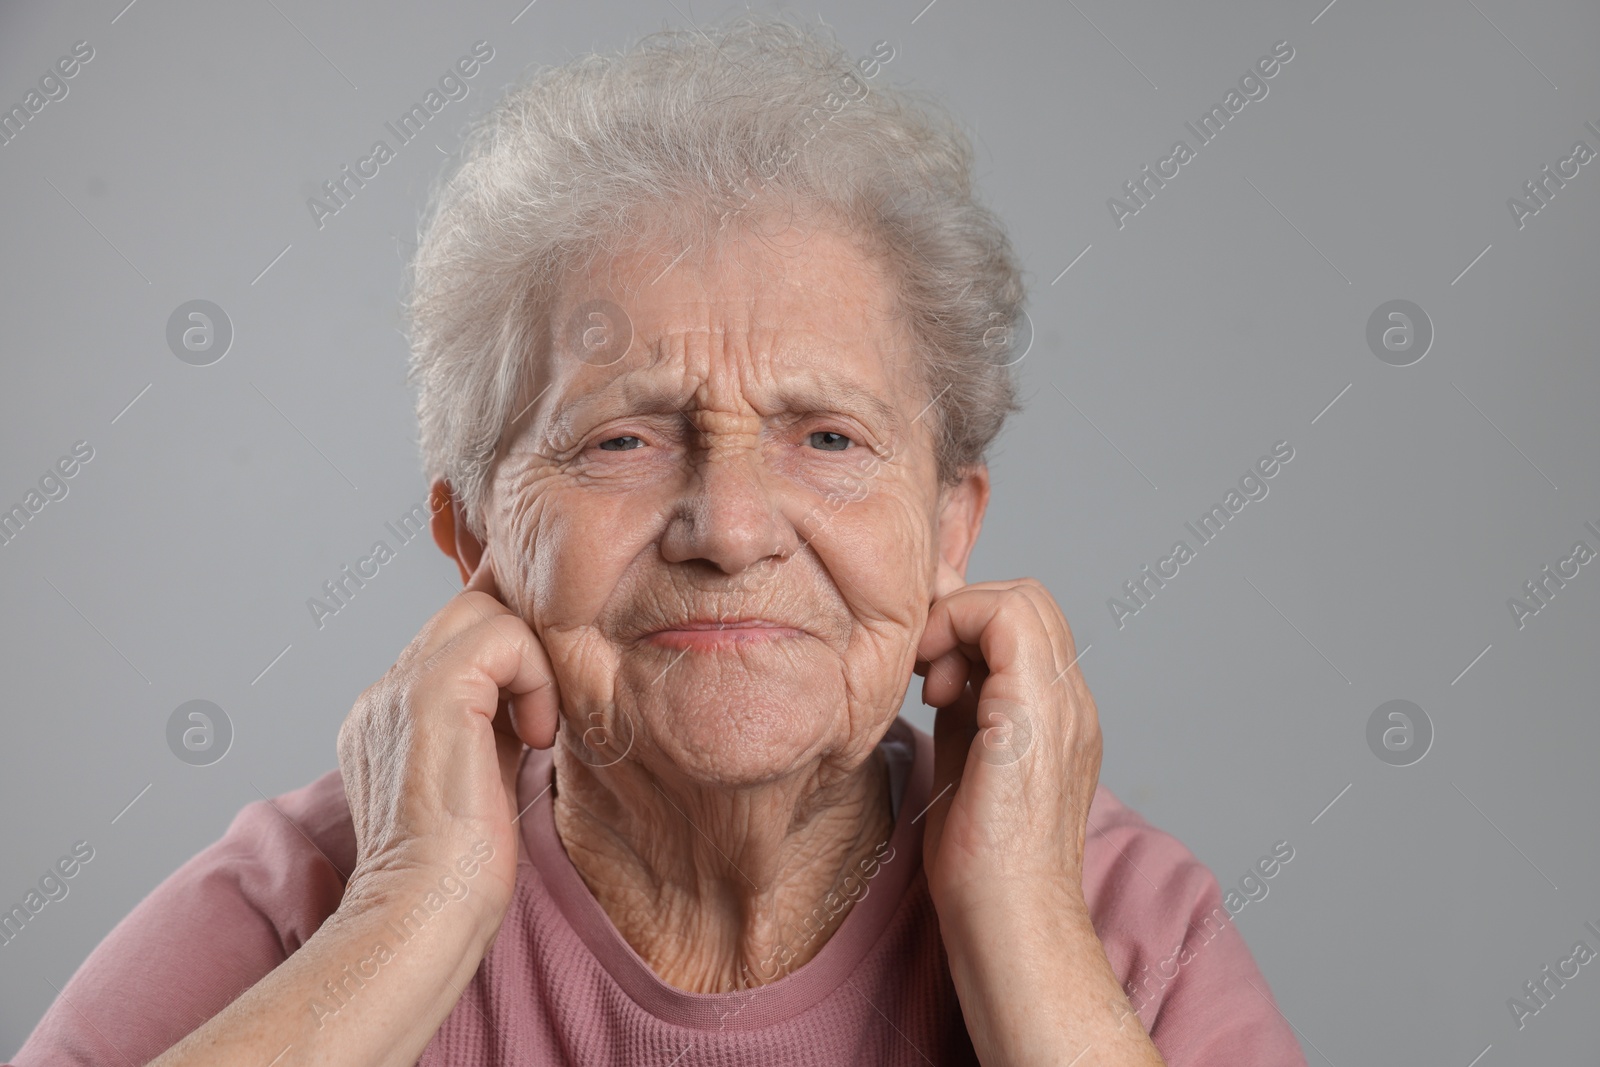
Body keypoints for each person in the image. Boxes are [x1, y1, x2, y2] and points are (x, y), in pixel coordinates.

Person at [10, 13, 1306, 1066]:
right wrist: (413, 915)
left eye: (829, 440)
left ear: (949, 528)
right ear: (474, 540)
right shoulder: (312, 902)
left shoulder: (1114, 923)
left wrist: (1022, 941)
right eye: (622, 440)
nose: (731, 529)